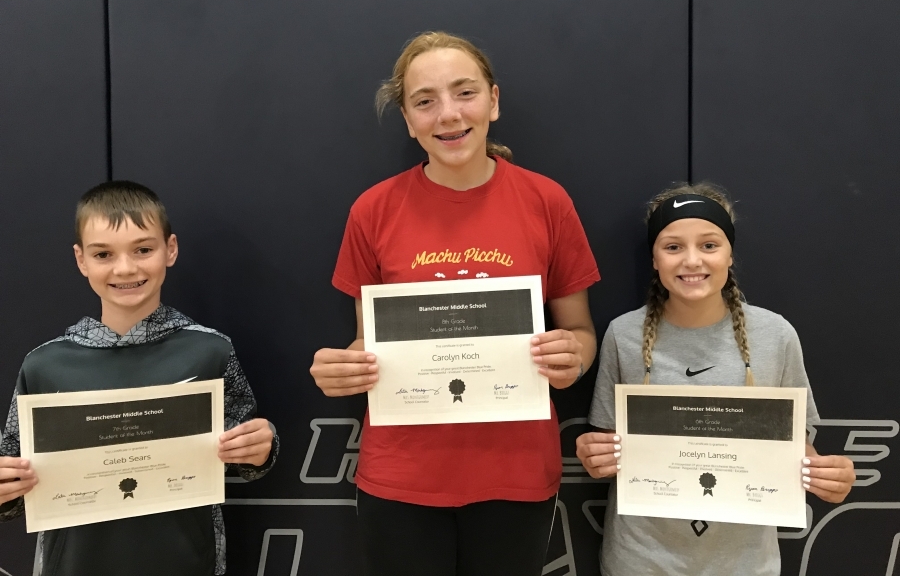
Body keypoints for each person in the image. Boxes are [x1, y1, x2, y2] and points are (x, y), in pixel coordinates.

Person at [309, 31, 600, 575]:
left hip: (514, 473)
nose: (447, 115)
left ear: (493, 100)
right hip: (402, 475)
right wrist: (345, 368)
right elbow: (368, 339)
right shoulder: (373, 210)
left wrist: (573, 357)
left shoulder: (546, 201)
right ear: (407, 117)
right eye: (425, 101)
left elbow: (581, 331)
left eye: (464, 93)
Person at [575, 182, 855, 576]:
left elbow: (797, 447)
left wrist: (828, 475)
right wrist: (594, 453)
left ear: (730, 254)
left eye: (709, 245)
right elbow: (604, 442)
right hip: (640, 558)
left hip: (745, 562)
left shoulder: (775, 334)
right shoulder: (624, 334)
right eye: (673, 247)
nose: (692, 261)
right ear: (654, 258)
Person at [0, 181, 278, 576]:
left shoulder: (210, 350)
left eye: (143, 249)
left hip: (185, 560)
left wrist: (260, 449)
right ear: (81, 260)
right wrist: (6, 491)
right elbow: (13, 471)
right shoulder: (45, 364)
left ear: (171, 249)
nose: (125, 268)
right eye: (103, 254)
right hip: (76, 563)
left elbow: (244, 454)